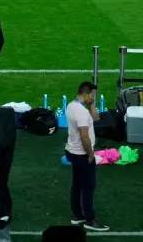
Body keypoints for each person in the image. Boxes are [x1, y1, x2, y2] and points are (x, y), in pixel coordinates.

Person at [65, 82, 108, 232]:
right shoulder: (81, 113)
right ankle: (90, 219)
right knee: (88, 187)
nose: (93, 98)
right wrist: (91, 155)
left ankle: (77, 215)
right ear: (86, 93)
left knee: (77, 184)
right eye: (93, 95)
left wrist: (91, 105)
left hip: (72, 151)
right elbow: (84, 137)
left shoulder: (72, 106)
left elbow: (95, 118)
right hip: (82, 154)